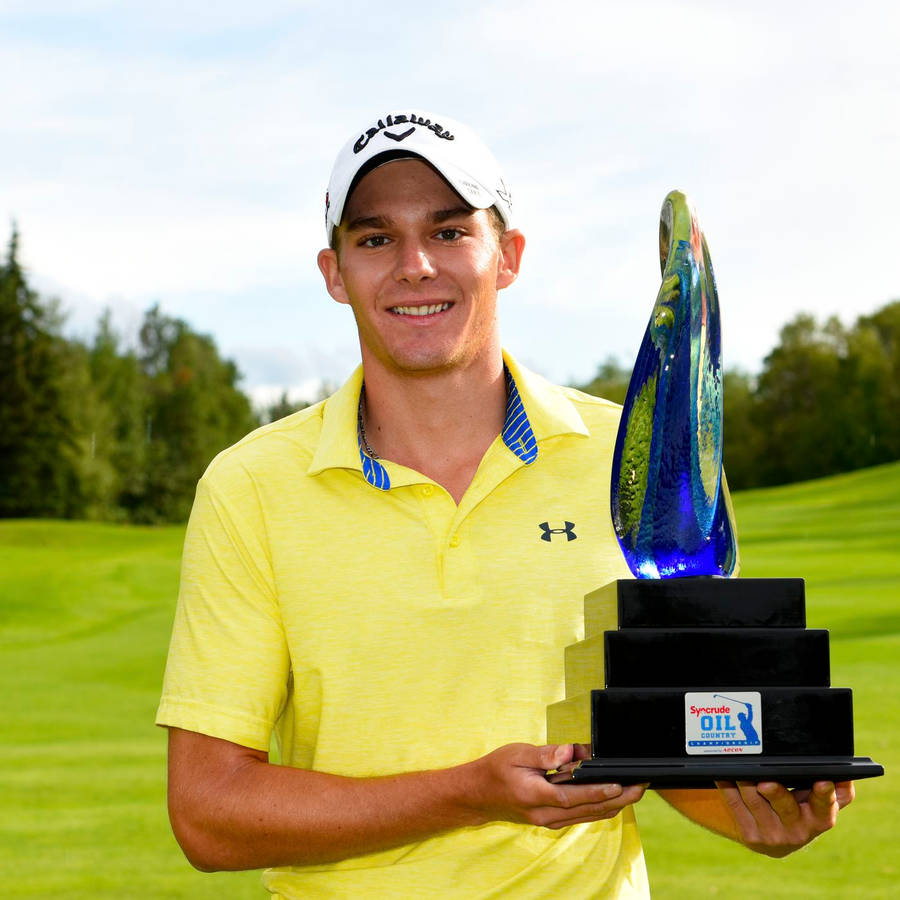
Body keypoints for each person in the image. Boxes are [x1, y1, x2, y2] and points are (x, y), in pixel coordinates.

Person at [157, 109, 853, 898]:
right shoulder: (251, 487)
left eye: (451, 231)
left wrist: (766, 804)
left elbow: (677, 734)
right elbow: (210, 815)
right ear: (333, 271)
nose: (415, 264)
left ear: (508, 255)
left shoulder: (631, 458)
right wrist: (467, 792)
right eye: (376, 237)